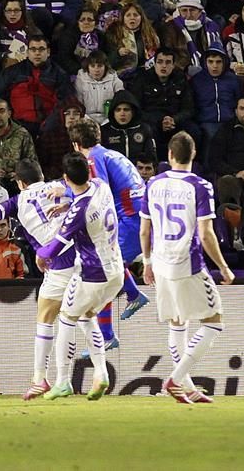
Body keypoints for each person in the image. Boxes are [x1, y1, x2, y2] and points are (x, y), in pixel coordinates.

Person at [140, 131, 233, 404]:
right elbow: (206, 234)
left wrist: (146, 263)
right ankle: (177, 378)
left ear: (169, 155)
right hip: (187, 263)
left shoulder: (153, 183)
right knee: (214, 322)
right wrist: (224, 267)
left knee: (177, 322)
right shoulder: (200, 185)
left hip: (159, 261)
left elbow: (145, 230)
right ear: (193, 155)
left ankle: (188, 387)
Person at [36, 152, 124, 401]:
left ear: (65, 177)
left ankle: (63, 381)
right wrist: (67, 202)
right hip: (116, 271)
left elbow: (52, 249)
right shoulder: (101, 186)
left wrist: (40, 254)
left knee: (66, 317)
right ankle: (101, 373)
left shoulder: (79, 211)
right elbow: (82, 195)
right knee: (87, 314)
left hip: (92, 274)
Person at [0, 158, 76, 399]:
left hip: (59, 263)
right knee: (81, 317)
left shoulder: (17, 201)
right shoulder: (60, 186)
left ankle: (41, 379)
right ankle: (95, 370)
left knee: (47, 319)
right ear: (41, 175)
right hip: (83, 254)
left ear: (19, 182)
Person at [68, 118, 150, 352]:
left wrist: (66, 194)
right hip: (138, 219)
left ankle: (107, 336)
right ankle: (133, 295)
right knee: (109, 269)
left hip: (130, 222)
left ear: (75, 145)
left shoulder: (93, 158)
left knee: (103, 274)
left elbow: (97, 190)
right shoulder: (113, 154)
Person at [0, 35, 74, 138]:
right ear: (27, 52)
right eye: (33, 49)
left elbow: (64, 102)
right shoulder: (11, 72)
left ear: (48, 52)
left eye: (41, 49)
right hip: (17, 125)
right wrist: (10, 122)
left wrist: (49, 124)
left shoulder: (59, 74)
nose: (37, 53)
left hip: (49, 127)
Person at [128, 47, 199, 160]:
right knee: (149, 131)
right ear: (154, 63)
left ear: (173, 65)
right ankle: (154, 165)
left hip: (175, 120)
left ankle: (188, 165)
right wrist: (159, 121)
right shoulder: (143, 79)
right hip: (152, 121)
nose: (163, 66)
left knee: (194, 131)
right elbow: (136, 109)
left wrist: (174, 120)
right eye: (160, 62)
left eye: (168, 62)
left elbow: (189, 108)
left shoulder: (180, 78)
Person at [209, 95, 244, 239]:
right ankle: (233, 234)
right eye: (242, 109)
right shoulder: (225, 130)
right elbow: (214, 160)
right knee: (227, 182)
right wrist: (236, 172)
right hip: (233, 176)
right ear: (236, 111)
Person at [0, 97, 38, 187]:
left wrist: (19, 174)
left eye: (2, 111)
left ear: (9, 114)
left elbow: (32, 162)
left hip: (16, 183)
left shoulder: (22, 134)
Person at [104, 2, 159, 81]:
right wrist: (118, 53)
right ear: (123, 18)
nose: (132, 18)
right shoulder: (114, 33)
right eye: (128, 15)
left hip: (145, 76)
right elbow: (107, 61)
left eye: (135, 15)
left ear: (141, 18)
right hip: (120, 77)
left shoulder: (150, 35)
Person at [101, 89, 157, 163]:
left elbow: (151, 158)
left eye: (126, 110)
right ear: (113, 113)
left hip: (138, 171)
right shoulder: (104, 131)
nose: (122, 114)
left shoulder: (144, 129)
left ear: (133, 112)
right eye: (118, 110)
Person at [0, 0, 41, 70]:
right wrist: (6, 56)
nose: (12, 14)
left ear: (22, 12)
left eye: (16, 10)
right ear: (4, 12)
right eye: (9, 10)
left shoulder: (33, 31)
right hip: (1, 68)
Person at [75, 50, 125, 125]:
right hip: (86, 119)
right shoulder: (81, 79)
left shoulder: (113, 78)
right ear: (87, 67)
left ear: (105, 66)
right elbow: (78, 103)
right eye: (92, 66)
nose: (96, 69)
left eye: (100, 66)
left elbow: (121, 98)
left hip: (109, 119)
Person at [54, 7, 104, 76]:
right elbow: (65, 59)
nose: (86, 22)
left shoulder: (100, 36)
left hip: (97, 72)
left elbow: (106, 55)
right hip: (73, 73)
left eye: (90, 20)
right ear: (78, 22)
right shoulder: (68, 36)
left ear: (95, 23)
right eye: (82, 20)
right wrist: (83, 72)